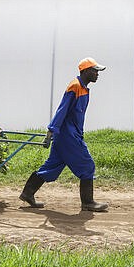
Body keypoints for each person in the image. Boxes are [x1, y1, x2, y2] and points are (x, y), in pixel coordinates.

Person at [19, 57, 109, 212]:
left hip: (69, 135)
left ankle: (28, 193)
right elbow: (62, 109)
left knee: (52, 167)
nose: (97, 74)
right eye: (95, 71)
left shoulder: (83, 88)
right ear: (86, 71)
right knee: (87, 165)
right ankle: (88, 202)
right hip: (68, 136)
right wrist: (51, 131)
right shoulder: (75, 86)